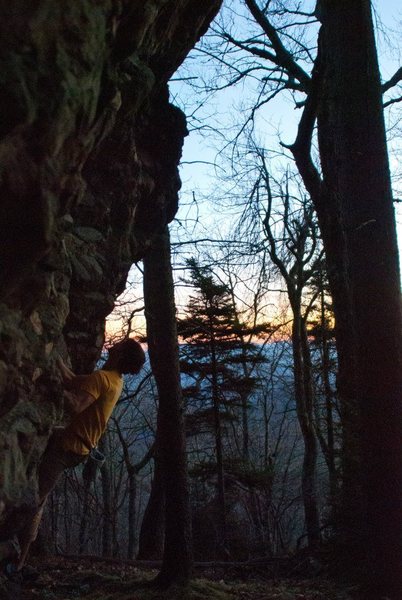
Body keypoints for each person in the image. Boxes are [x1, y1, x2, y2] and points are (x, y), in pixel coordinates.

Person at [5, 337, 145, 580]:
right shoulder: (113, 380)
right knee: (38, 496)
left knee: (35, 500)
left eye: (119, 345)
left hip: (67, 448)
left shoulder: (102, 379)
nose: (112, 346)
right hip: (76, 447)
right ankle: (18, 558)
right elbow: (73, 379)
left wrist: (51, 385)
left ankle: (17, 562)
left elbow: (75, 405)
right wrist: (55, 359)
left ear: (121, 355)